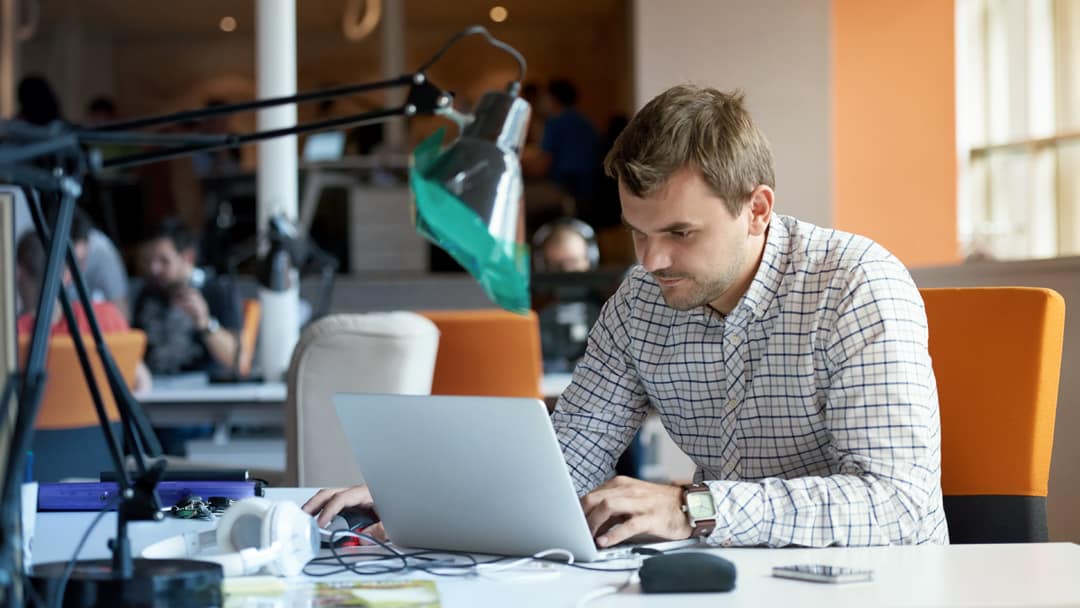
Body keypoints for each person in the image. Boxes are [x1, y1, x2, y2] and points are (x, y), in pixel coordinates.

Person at [302, 84, 948, 549]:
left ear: (757, 209)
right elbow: (567, 458)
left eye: (679, 232)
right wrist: (424, 498)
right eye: (637, 232)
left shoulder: (856, 284)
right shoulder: (641, 302)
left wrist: (695, 505)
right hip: (733, 579)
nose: (653, 259)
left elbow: (896, 504)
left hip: (876, 583)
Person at [14, 230, 152, 393]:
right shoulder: (104, 317)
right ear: (67, 275)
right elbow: (141, 382)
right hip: (104, 418)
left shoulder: (11, 336)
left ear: (18, 273)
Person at [131, 219, 241, 376]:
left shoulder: (218, 290)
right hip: (153, 388)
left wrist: (205, 322)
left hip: (203, 391)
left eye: (164, 261)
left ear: (188, 257)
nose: (154, 269)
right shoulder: (148, 292)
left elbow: (235, 359)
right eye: (149, 261)